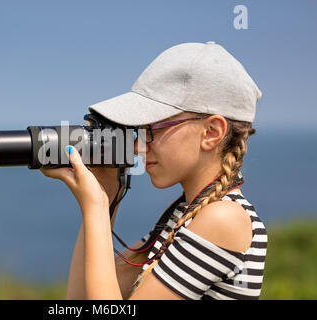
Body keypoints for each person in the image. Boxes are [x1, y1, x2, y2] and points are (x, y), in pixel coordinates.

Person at [40, 41, 267, 300]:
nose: (138, 146)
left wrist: (96, 206)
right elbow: (80, 300)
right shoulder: (184, 214)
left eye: (151, 130)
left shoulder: (223, 218)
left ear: (211, 132)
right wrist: (108, 195)